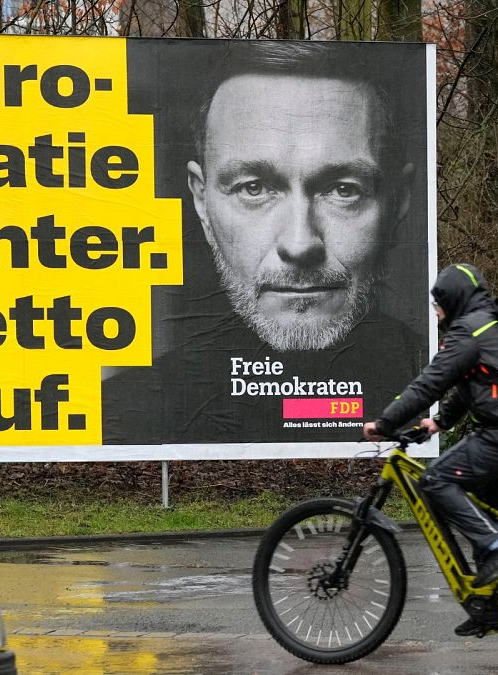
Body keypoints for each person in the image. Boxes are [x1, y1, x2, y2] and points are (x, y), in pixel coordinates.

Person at [101, 41, 428, 444]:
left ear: (400, 201)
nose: (299, 243)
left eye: (343, 189)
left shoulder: (434, 388)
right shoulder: (123, 416)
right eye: (253, 188)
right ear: (202, 201)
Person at [363, 263, 498, 636]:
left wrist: (385, 423)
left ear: (453, 298)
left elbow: (432, 382)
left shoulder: (469, 330)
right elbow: (475, 381)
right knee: (482, 510)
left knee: (436, 480)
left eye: (438, 302)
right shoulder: (493, 323)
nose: (437, 310)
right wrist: (439, 422)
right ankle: (491, 605)